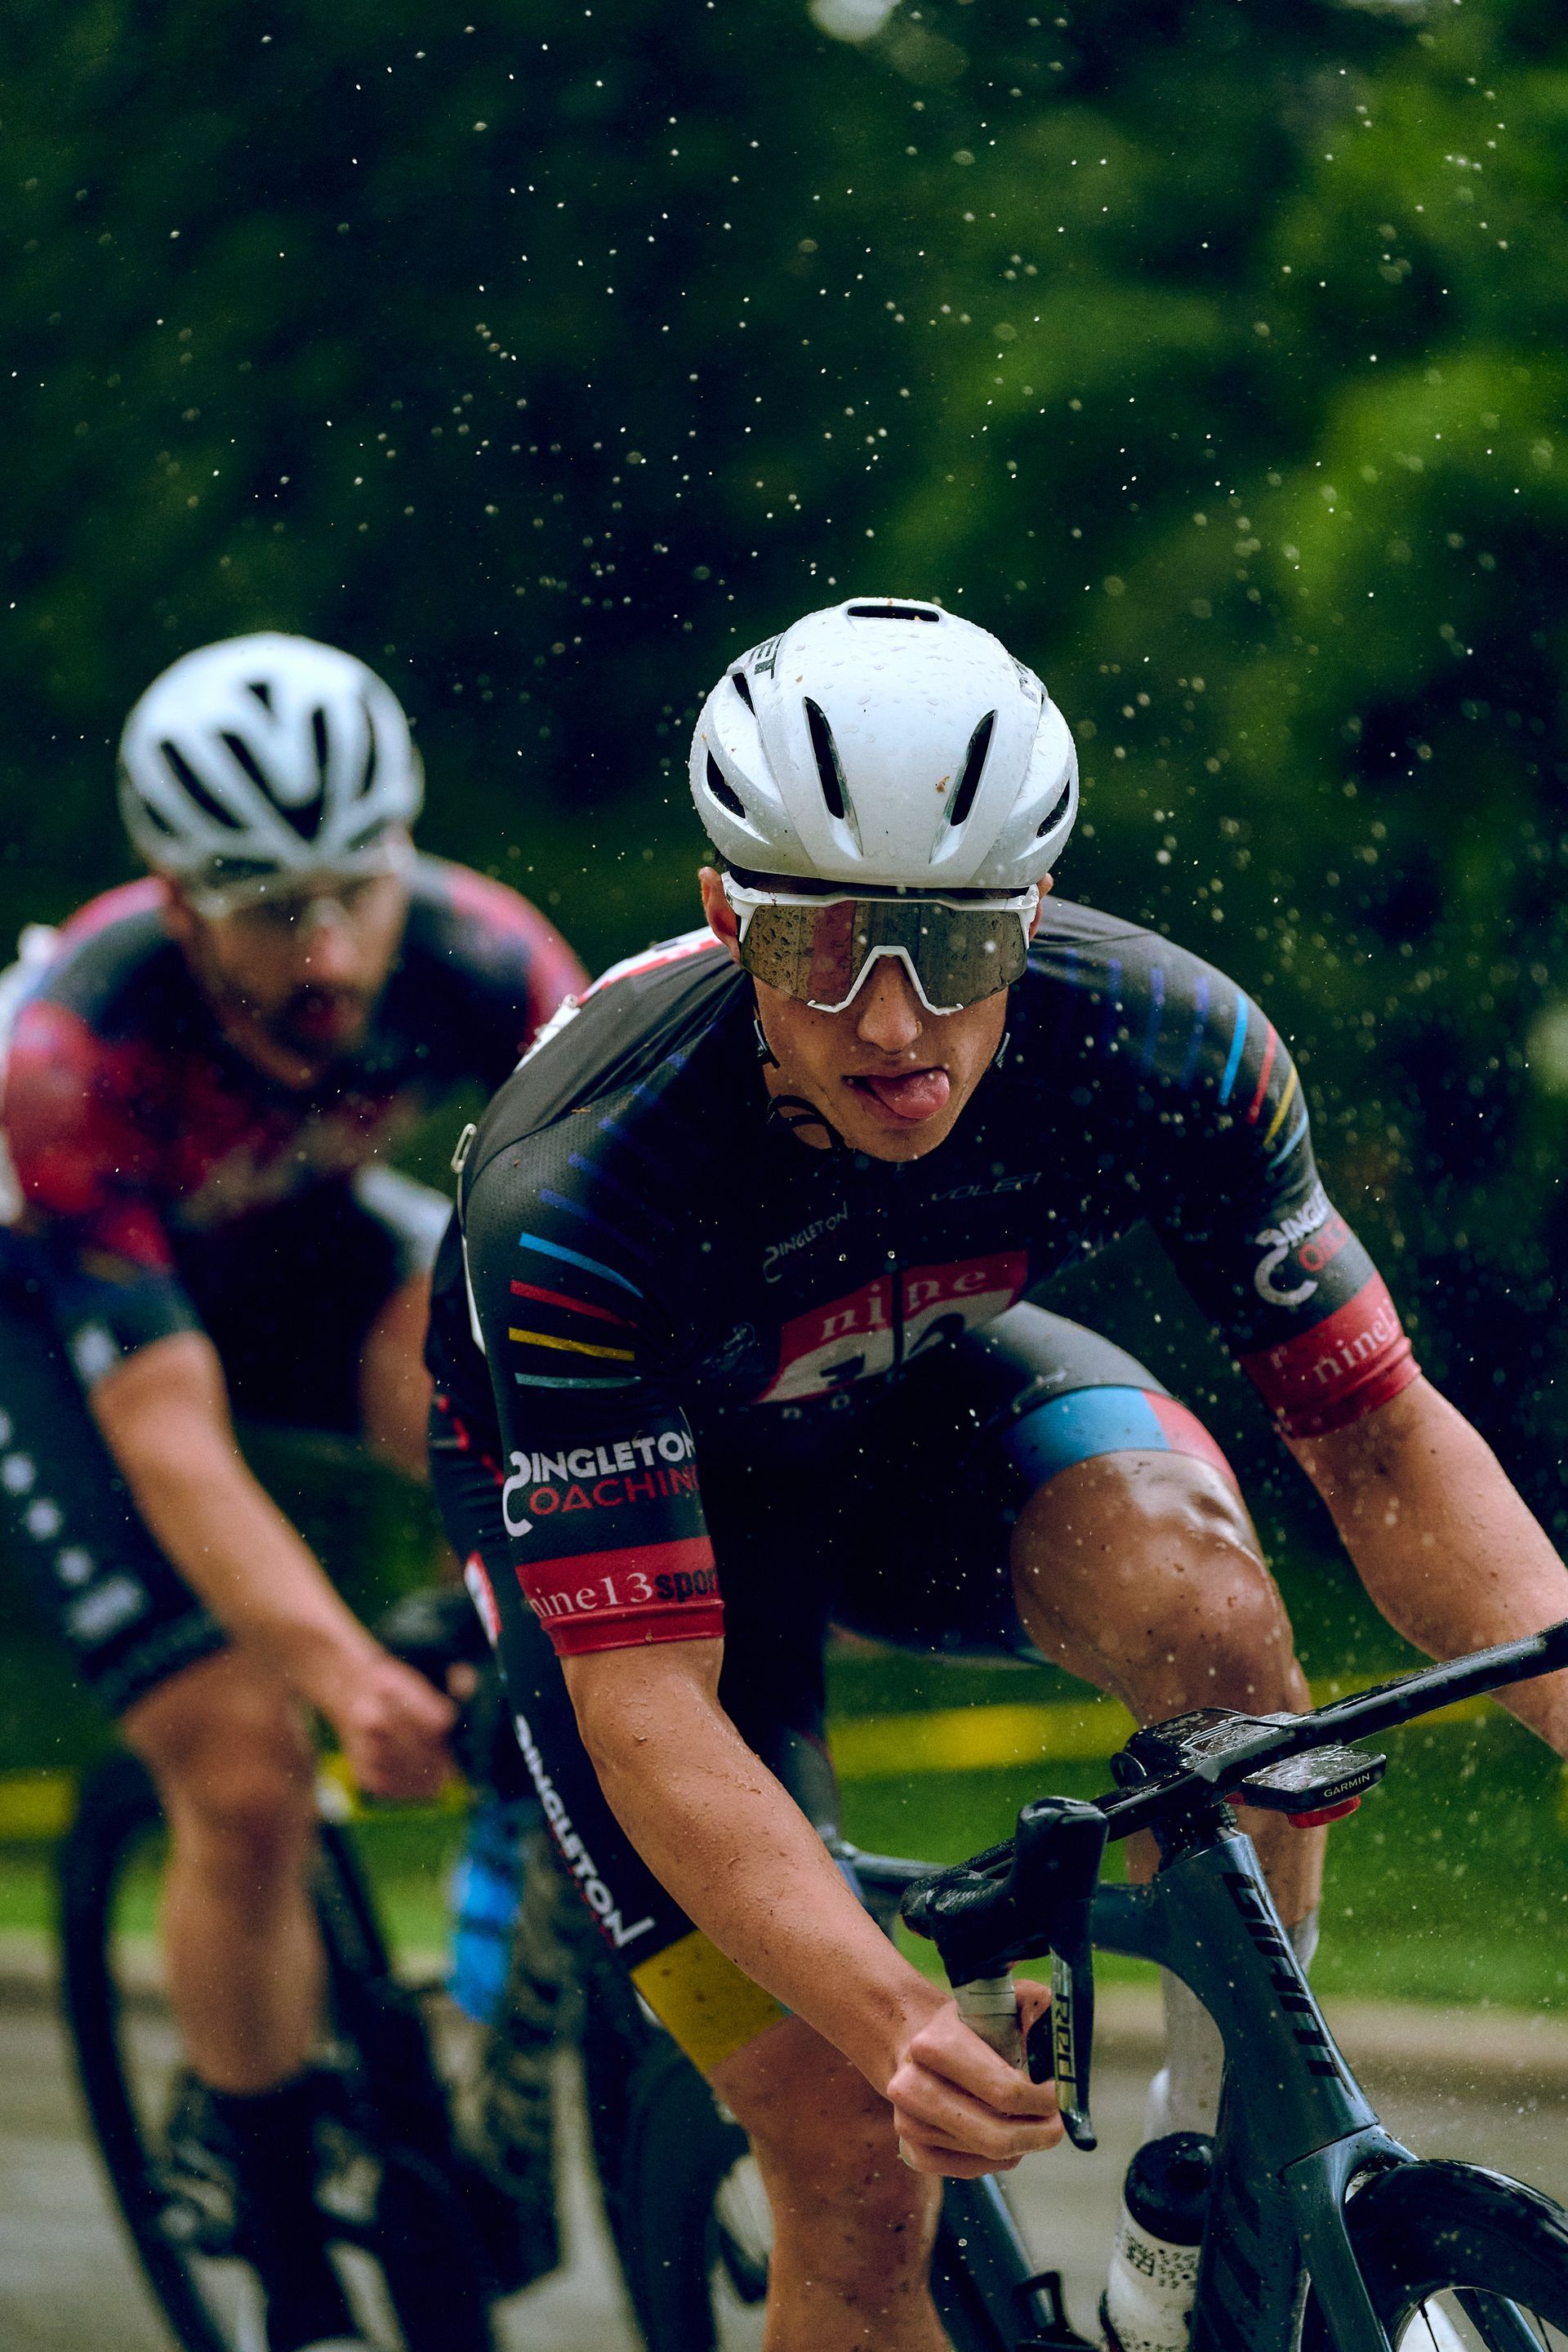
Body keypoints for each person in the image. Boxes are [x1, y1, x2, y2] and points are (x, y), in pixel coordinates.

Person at [427, 596, 1568, 2352]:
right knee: (856, 2160)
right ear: (730, 913)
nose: (893, 1021)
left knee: (1217, 1622)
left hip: (911, 1412)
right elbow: (647, 1704)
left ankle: (1200, 2221)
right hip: (648, 1535)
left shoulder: (1171, 1048)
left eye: (951, 948)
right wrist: (897, 2026)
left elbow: (1382, 1439)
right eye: (824, 946)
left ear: (1030, 914)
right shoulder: (581, 1194)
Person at [0, 632, 586, 2352]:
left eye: (352, 894)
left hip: (299, 1252)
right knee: (249, 1763)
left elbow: (592, 1259)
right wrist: (336, 1674)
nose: (325, 950)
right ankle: (280, 2243)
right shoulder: (73, 1053)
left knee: (521, 1370)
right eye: (269, 911)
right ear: (178, 904)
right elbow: (170, 1437)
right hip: (67, 1317)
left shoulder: (483, 958)